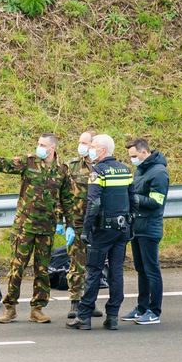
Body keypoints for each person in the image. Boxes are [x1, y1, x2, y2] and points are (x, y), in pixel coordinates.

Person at [0, 133, 79, 324]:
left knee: (42, 270)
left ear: (52, 148)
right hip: (24, 227)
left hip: (47, 228)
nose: (39, 147)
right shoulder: (29, 162)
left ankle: (38, 308)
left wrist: (69, 224)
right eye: (38, 144)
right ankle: (10, 307)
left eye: (43, 144)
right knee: (17, 268)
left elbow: (67, 199)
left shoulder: (62, 169)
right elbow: (5, 164)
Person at [68, 134, 134, 330]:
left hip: (102, 229)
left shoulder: (98, 171)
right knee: (116, 273)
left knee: (93, 271)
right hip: (122, 228)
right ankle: (112, 316)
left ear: (103, 150)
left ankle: (84, 317)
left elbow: (94, 203)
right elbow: (132, 200)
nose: (91, 149)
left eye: (94, 146)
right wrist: (131, 226)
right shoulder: (125, 169)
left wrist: (86, 229)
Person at [57, 130, 103, 320]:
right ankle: (75, 302)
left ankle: (89, 302)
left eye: (85, 143)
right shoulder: (71, 167)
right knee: (77, 264)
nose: (82, 146)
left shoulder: (103, 167)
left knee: (95, 265)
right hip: (76, 223)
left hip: (98, 224)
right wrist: (61, 220)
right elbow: (61, 195)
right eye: (80, 142)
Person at [123, 137, 169, 325]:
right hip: (137, 227)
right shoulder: (140, 170)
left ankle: (154, 310)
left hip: (150, 228)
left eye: (134, 156)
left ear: (144, 152)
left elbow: (156, 202)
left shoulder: (159, 173)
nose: (132, 159)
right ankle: (141, 307)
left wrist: (133, 199)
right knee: (140, 269)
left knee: (151, 270)